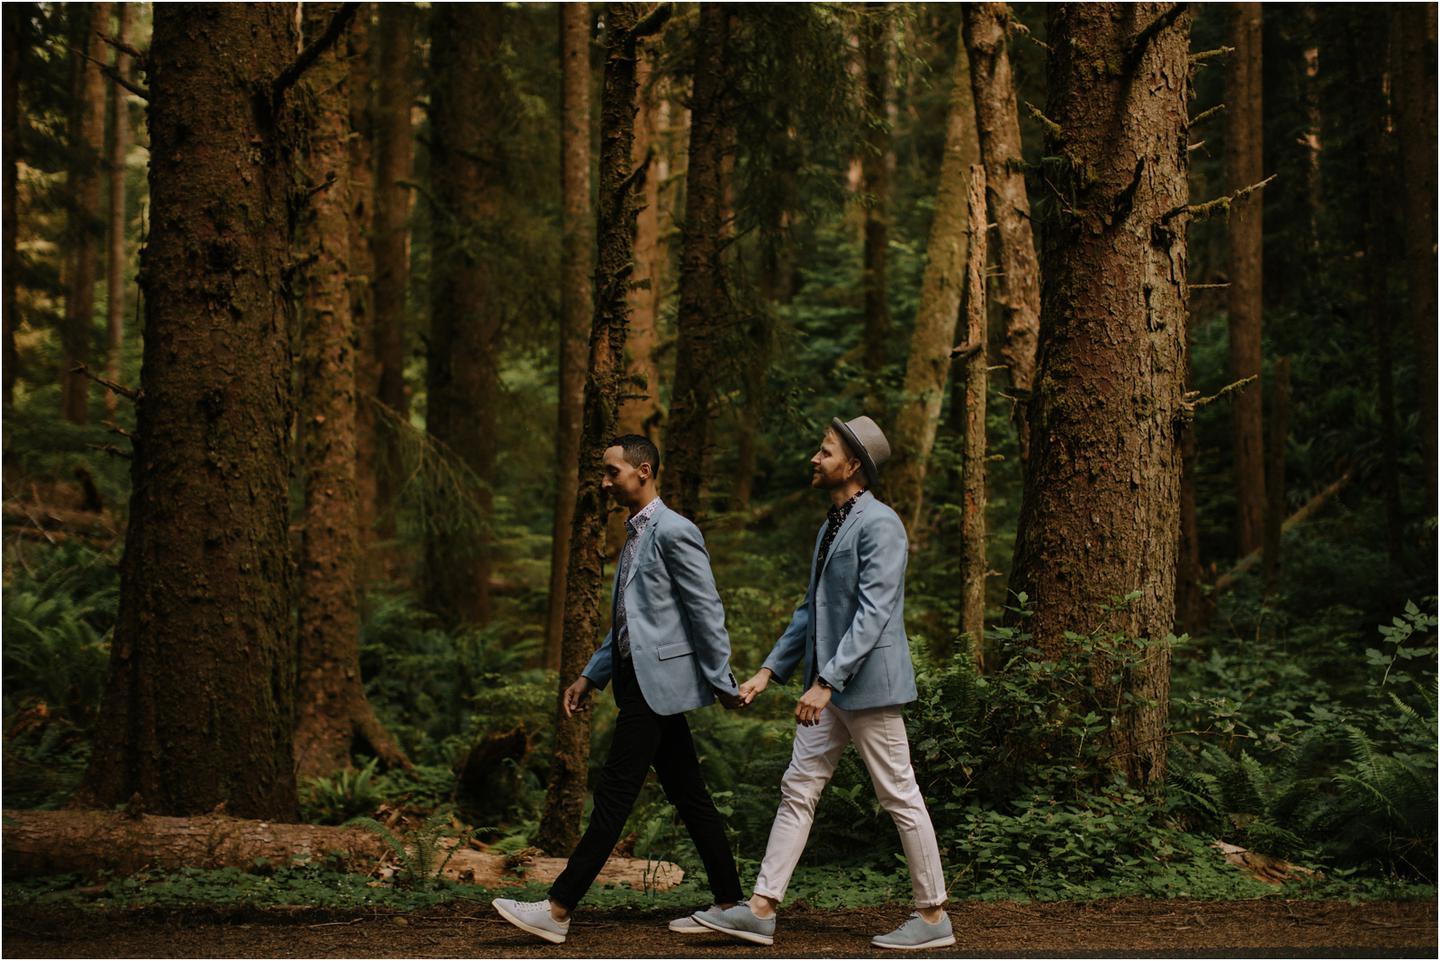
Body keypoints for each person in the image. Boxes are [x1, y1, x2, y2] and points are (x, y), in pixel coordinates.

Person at [692, 416, 954, 951]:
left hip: (865, 686)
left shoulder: (881, 524)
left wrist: (828, 681)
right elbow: (811, 611)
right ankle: (761, 908)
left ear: (852, 465)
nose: (815, 458)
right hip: (826, 689)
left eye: (825, 451)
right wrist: (769, 671)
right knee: (798, 789)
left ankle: (932, 918)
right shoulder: (831, 523)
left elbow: (875, 610)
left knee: (899, 794)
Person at [493, 434, 745, 945]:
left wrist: (722, 682)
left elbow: (706, 611)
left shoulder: (675, 532)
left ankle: (558, 909)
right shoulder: (633, 535)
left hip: (658, 686)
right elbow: (630, 623)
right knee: (690, 796)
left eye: (612, 472)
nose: (605, 482)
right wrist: (592, 674)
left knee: (613, 794)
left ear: (644, 471)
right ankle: (733, 904)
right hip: (635, 681)